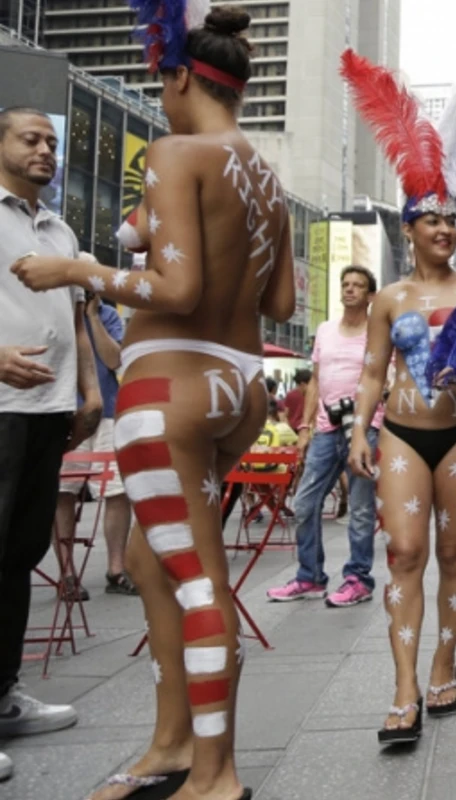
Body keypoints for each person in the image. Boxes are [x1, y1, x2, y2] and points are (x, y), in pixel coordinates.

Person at [13, 8, 294, 798]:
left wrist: (74, 273)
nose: (159, 99)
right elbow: (278, 298)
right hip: (238, 386)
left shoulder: (177, 151)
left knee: (196, 578)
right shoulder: (264, 176)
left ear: (179, 79)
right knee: (148, 560)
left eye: (159, 84)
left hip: (169, 384)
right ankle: (173, 744)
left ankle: (217, 776)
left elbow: (175, 288)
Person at [340, 48, 456, 744]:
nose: (444, 229)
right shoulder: (388, 298)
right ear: (409, 228)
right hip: (401, 435)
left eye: (452, 218)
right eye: (431, 219)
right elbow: (370, 372)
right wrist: (359, 431)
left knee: (454, 555)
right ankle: (403, 686)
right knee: (405, 553)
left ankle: (444, 661)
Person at [0, 105, 102, 782]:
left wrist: (90, 389)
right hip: (2, 404)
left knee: (20, 554)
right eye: (29, 139)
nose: (44, 150)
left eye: (50, 142)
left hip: (51, 410)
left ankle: (4, 695)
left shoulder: (60, 230)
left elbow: (76, 316)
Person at [265, 266, 382, 608]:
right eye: (345, 284)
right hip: (326, 429)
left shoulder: (377, 332)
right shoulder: (326, 330)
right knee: (304, 502)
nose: (349, 290)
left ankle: (358, 579)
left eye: (358, 285)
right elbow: (315, 380)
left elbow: (384, 379)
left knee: (360, 509)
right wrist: (305, 427)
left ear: (370, 295)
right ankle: (310, 577)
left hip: (365, 427)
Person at [55, 288, 138, 601]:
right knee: (64, 492)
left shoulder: (108, 316)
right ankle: (66, 573)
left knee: (118, 491)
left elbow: (114, 359)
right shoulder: (57, 312)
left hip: (108, 414)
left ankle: (116, 569)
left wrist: (92, 315)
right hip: (68, 413)